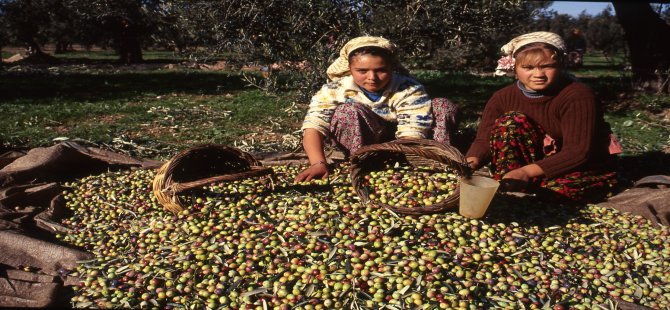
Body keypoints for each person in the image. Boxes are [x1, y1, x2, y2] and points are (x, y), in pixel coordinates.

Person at [466, 31, 621, 203]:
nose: (538, 74)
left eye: (547, 66)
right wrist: (470, 164)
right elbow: (483, 140)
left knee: (555, 193)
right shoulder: (503, 97)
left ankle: (525, 183)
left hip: (579, 165)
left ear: (560, 65)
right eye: (528, 68)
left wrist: (525, 172)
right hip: (527, 167)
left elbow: (578, 152)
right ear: (514, 68)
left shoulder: (577, 95)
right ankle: (510, 182)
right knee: (509, 122)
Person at [295, 36, 458, 182]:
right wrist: (318, 163)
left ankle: (433, 161)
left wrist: (400, 154)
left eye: (381, 70)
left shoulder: (407, 88)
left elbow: (413, 129)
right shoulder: (335, 89)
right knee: (347, 111)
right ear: (349, 69)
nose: (372, 77)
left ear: (391, 68)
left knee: (442, 105)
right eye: (362, 71)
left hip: (405, 143)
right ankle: (361, 162)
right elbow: (314, 126)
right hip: (364, 141)